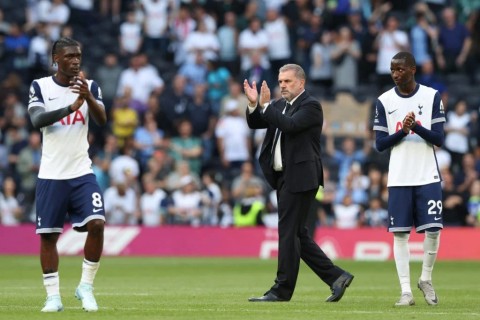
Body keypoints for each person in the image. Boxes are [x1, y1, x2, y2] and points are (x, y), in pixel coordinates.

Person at [243, 64, 354, 302]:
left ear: (301, 83)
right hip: (284, 177)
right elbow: (256, 123)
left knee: (287, 233)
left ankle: (281, 290)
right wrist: (254, 105)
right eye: (280, 81)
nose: (282, 85)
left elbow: (290, 126)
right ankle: (336, 277)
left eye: (288, 81)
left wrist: (265, 106)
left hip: (301, 177)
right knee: (297, 234)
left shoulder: (311, 106)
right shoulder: (279, 106)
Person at [27, 37, 107, 312]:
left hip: (81, 171)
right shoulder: (41, 86)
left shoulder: (91, 86)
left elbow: (102, 120)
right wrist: (70, 108)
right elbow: (37, 120)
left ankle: (85, 286)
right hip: (51, 174)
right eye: (70, 56)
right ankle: (53, 297)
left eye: (78, 56)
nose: (75, 61)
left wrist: (87, 98)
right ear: (55, 60)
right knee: (49, 236)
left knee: (97, 224)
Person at [373, 51, 446, 306]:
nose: (395, 74)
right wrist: (402, 131)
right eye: (393, 70)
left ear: (413, 69)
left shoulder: (431, 96)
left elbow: (439, 139)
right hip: (399, 176)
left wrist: (415, 127)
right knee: (400, 235)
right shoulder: (383, 100)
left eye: (400, 69)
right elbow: (380, 144)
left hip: (427, 174)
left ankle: (425, 278)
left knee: (434, 230)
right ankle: (406, 291)